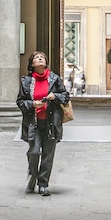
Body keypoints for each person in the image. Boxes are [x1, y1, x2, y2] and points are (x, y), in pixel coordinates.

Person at [16, 49, 70, 196]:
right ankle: (33, 174)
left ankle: (43, 184)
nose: (40, 59)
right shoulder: (26, 82)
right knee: (33, 152)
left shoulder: (54, 79)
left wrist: (55, 96)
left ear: (46, 62)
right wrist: (32, 104)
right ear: (32, 63)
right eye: (37, 57)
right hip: (33, 123)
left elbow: (65, 96)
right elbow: (20, 101)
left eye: (42, 57)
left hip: (51, 123)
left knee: (48, 154)